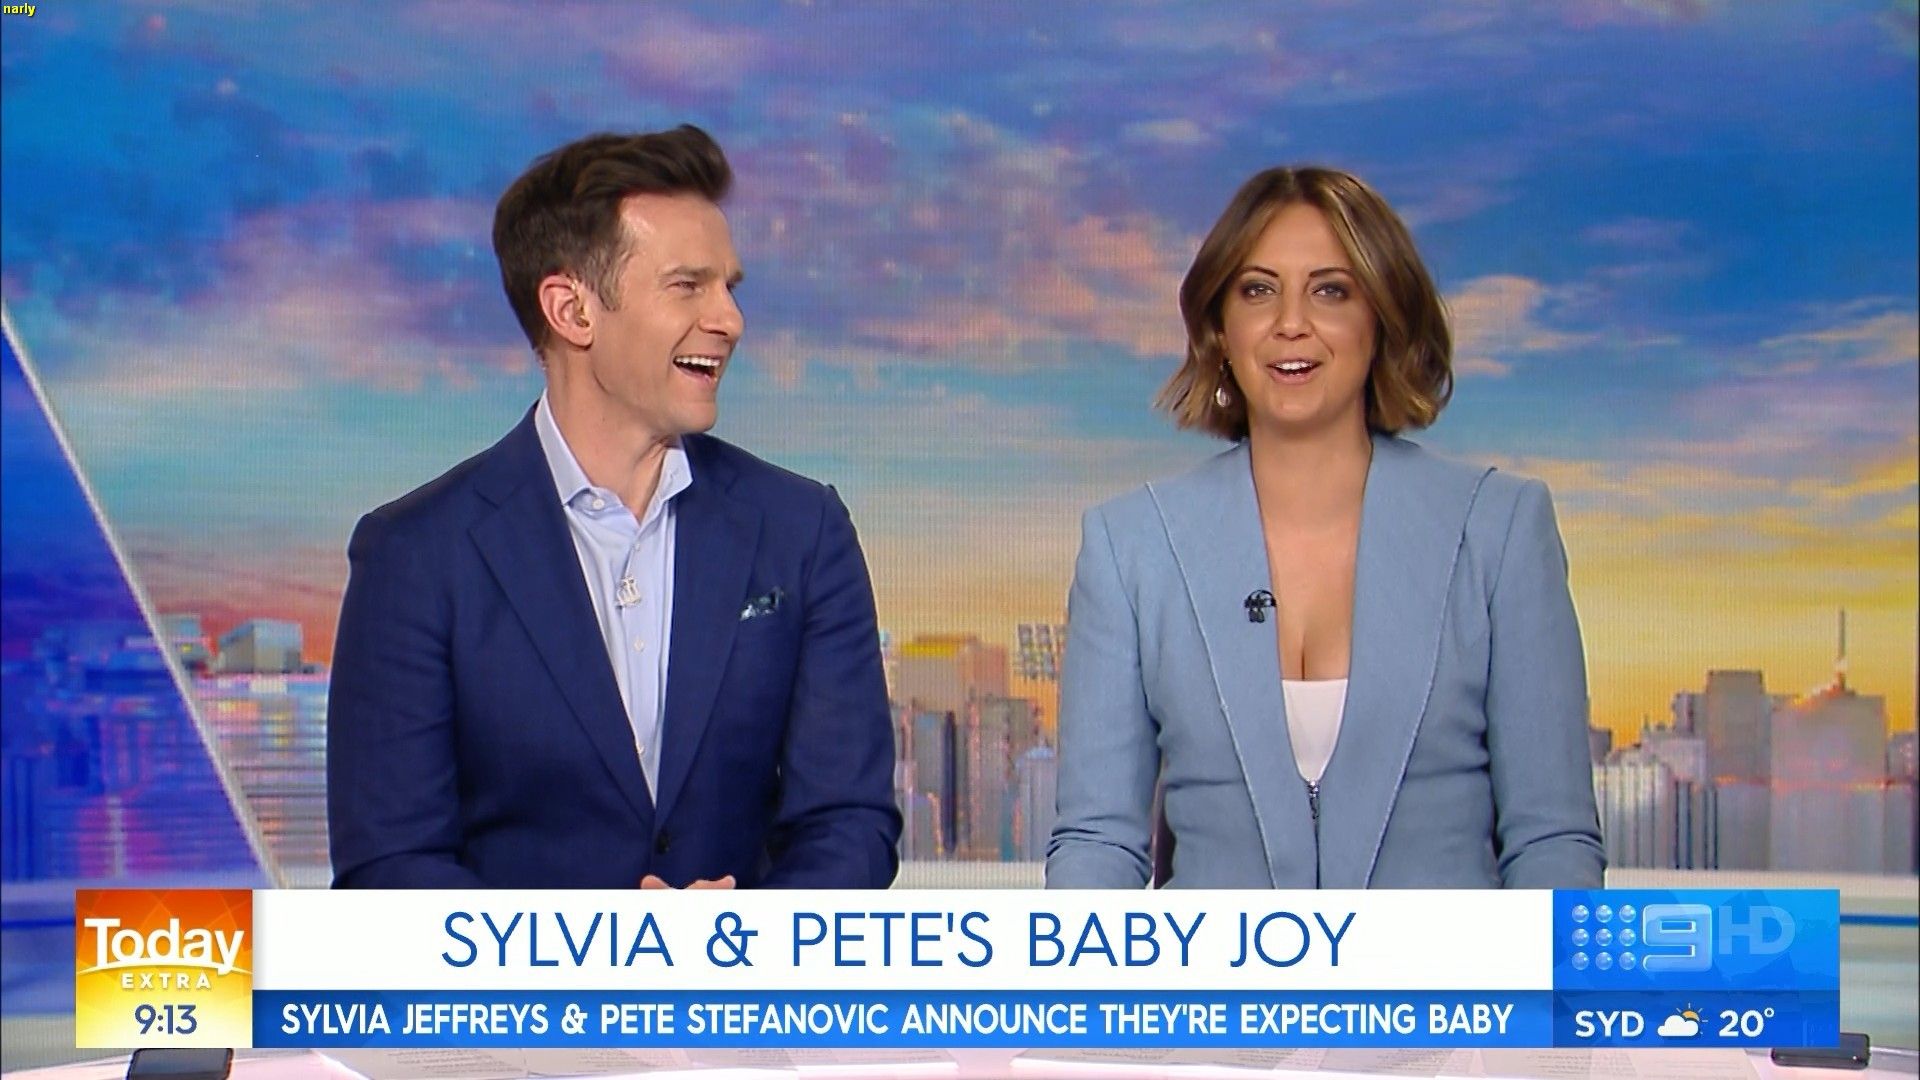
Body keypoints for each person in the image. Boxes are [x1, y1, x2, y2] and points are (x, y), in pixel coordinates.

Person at [326, 126, 900, 889]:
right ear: (573, 310)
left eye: (730, 287)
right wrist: (595, 947)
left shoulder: (803, 530)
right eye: (688, 286)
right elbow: (390, 867)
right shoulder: (417, 554)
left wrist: (744, 937)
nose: (729, 321)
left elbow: (851, 822)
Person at [1046, 166, 1604, 889]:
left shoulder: (1499, 532)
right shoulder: (1131, 548)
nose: (1291, 323)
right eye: (1258, 291)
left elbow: (1551, 841)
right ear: (1220, 328)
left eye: (1330, 290)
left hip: (1445, 968)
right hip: (1216, 968)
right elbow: (1096, 844)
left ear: (1382, 317)